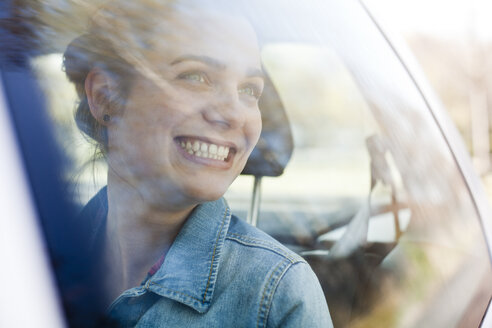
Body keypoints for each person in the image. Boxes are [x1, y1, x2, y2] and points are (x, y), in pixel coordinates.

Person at [63, 0, 333, 326]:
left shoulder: (279, 293)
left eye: (249, 90)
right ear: (106, 96)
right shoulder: (34, 255)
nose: (234, 113)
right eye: (196, 76)